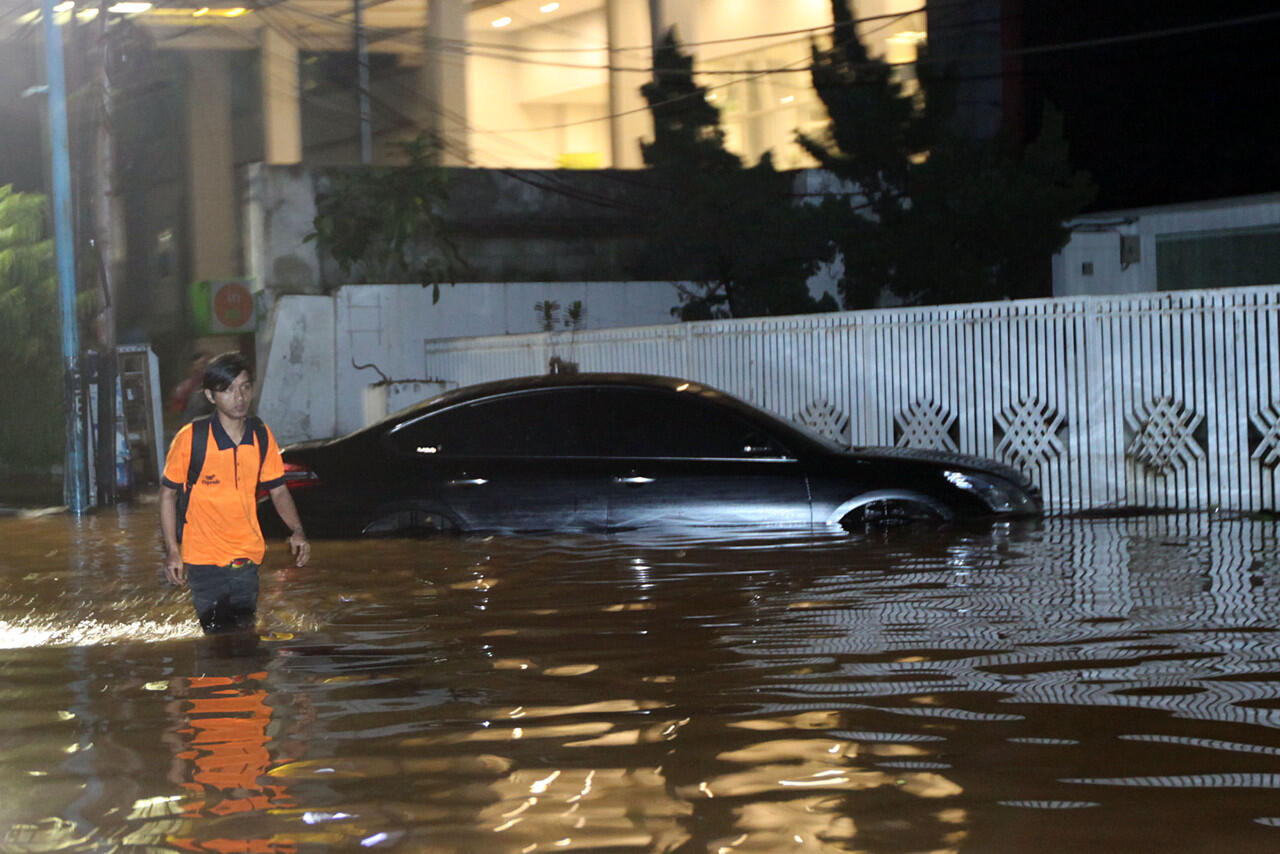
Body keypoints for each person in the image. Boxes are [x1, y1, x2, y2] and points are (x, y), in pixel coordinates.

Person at [158, 351, 310, 634]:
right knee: (218, 638)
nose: (238, 397)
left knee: (245, 635)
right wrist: (172, 552)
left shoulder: (261, 435)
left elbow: (278, 490)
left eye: (244, 387)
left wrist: (297, 530)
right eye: (227, 390)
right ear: (210, 396)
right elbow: (167, 494)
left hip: (247, 557)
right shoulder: (191, 438)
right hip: (203, 560)